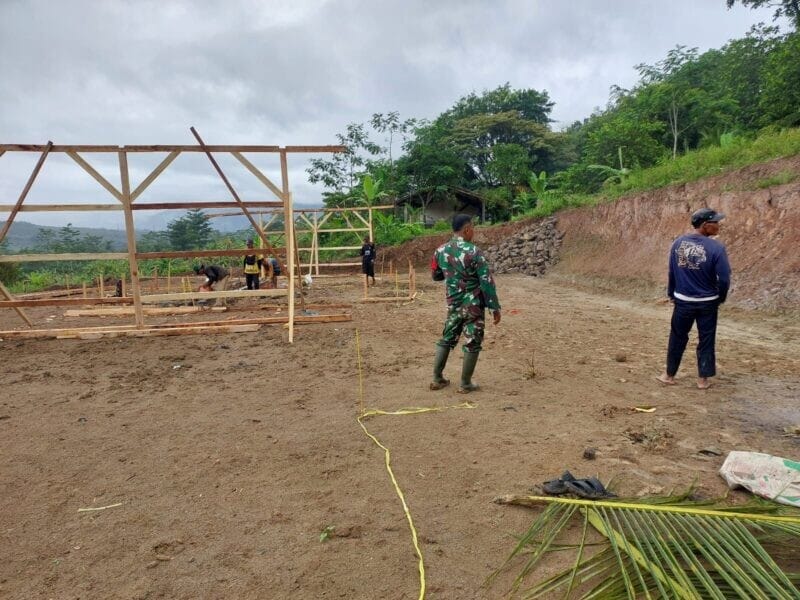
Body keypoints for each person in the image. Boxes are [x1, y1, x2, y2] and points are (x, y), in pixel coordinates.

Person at [657, 208, 731, 390]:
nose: (718, 225)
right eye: (716, 222)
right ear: (705, 226)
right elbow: (724, 278)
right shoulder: (717, 248)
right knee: (706, 339)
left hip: (683, 301)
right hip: (708, 303)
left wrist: (671, 294)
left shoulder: (678, 244)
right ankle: (702, 380)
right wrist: (720, 298)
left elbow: (672, 272)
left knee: (677, 337)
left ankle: (669, 375)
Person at [430, 214, 501, 393]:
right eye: (473, 228)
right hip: (473, 305)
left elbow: (435, 275)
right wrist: (494, 307)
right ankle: (465, 383)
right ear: (467, 229)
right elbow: (486, 282)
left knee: (447, 338)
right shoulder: (474, 252)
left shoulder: (440, 251)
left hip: (453, 303)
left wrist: (451, 276)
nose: (474, 232)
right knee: (472, 341)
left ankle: (437, 379)